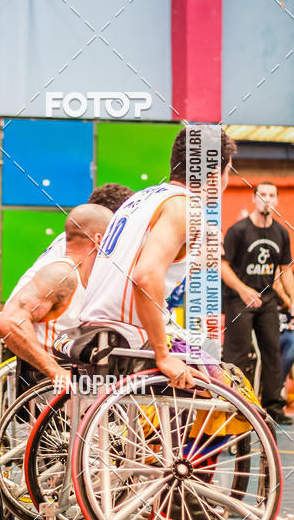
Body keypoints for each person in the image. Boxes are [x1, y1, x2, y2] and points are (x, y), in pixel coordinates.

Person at [79, 126, 237, 389]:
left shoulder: (139, 199)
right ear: (213, 176)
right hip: (127, 340)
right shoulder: (185, 207)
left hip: (92, 332)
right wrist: (163, 355)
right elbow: (146, 276)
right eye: (228, 171)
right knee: (234, 392)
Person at [0, 204, 112, 388]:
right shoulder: (61, 274)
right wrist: (55, 371)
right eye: (113, 238)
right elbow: (8, 322)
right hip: (46, 391)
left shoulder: (88, 277)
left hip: (76, 385)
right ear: (99, 239)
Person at [222, 181, 294, 425]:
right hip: (238, 300)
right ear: (254, 198)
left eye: (271, 195)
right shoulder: (238, 231)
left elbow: (285, 271)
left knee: (273, 352)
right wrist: (243, 290)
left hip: (267, 301)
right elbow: (222, 265)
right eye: (262, 194)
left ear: (276, 200)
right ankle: (234, 404)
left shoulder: (281, 233)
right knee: (238, 353)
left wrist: (293, 300)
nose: (266, 198)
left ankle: (274, 408)